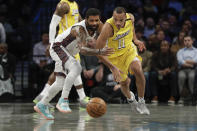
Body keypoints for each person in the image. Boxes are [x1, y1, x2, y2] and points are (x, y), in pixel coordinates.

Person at [34, 8, 113, 120]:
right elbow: (83, 50)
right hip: (58, 48)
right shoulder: (79, 29)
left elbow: (109, 36)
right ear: (86, 20)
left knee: (59, 83)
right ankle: (63, 101)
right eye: (91, 21)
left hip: (68, 52)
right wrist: (100, 51)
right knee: (76, 67)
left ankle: (41, 104)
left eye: (96, 20)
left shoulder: (99, 25)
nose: (94, 23)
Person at [33, 0, 88, 108]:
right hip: (64, 43)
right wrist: (51, 43)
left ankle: (43, 96)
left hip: (73, 41)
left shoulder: (75, 4)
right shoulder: (63, 5)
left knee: (66, 71)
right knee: (71, 69)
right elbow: (53, 24)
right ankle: (82, 98)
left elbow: (80, 20)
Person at [95, 7, 150, 115]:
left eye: (120, 20)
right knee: (124, 83)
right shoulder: (108, 27)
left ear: (125, 17)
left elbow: (131, 28)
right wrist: (112, 67)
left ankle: (141, 102)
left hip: (128, 50)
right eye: (115, 19)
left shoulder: (131, 18)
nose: (118, 23)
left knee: (138, 70)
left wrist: (135, 39)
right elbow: (98, 52)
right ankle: (131, 100)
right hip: (114, 58)